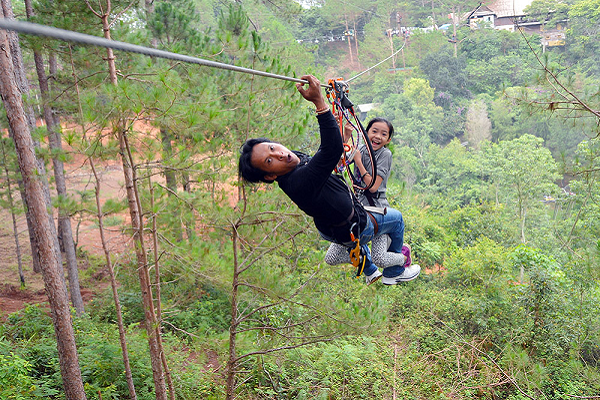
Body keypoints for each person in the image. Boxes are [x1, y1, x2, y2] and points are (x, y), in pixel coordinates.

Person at [238, 75, 420, 285]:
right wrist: (320, 104)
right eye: (269, 161)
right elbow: (330, 152)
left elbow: (322, 160)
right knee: (396, 220)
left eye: (272, 147)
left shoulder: (291, 163)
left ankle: (365, 263)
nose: (279, 154)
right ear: (270, 176)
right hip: (354, 224)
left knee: (342, 250)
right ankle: (396, 270)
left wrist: (340, 135)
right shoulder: (297, 182)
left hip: (334, 228)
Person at [324, 121, 414, 283]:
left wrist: (358, 162)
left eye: (384, 134)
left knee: (381, 258)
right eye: (374, 131)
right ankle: (369, 268)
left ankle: (403, 258)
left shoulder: (385, 155)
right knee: (331, 257)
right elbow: (338, 166)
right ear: (366, 133)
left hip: (378, 213)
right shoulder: (360, 149)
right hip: (357, 211)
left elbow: (373, 187)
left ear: (388, 140)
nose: (378, 136)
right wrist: (345, 137)